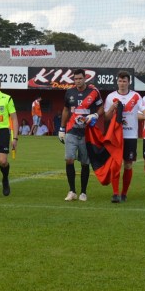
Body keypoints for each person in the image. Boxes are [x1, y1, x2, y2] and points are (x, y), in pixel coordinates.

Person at [59, 69, 103, 202]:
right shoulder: (69, 92)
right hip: (71, 131)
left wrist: (95, 115)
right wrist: (62, 128)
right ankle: (72, 191)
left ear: (85, 78)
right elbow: (66, 110)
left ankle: (83, 192)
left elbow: (101, 108)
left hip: (87, 133)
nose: (78, 81)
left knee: (85, 162)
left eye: (80, 78)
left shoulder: (93, 92)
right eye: (76, 79)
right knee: (69, 159)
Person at [104, 70, 142, 202]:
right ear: (117, 82)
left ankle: (124, 193)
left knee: (128, 165)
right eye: (120, 81)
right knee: (115, 165)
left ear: (129, 82)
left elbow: (143, 111)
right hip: (116, 136)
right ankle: (115, 193)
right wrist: (112, 108)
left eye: (124, 81)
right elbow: (106, 117)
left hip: (131, 136)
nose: (122, 83)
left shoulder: (136, 96)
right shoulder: (111, 97)